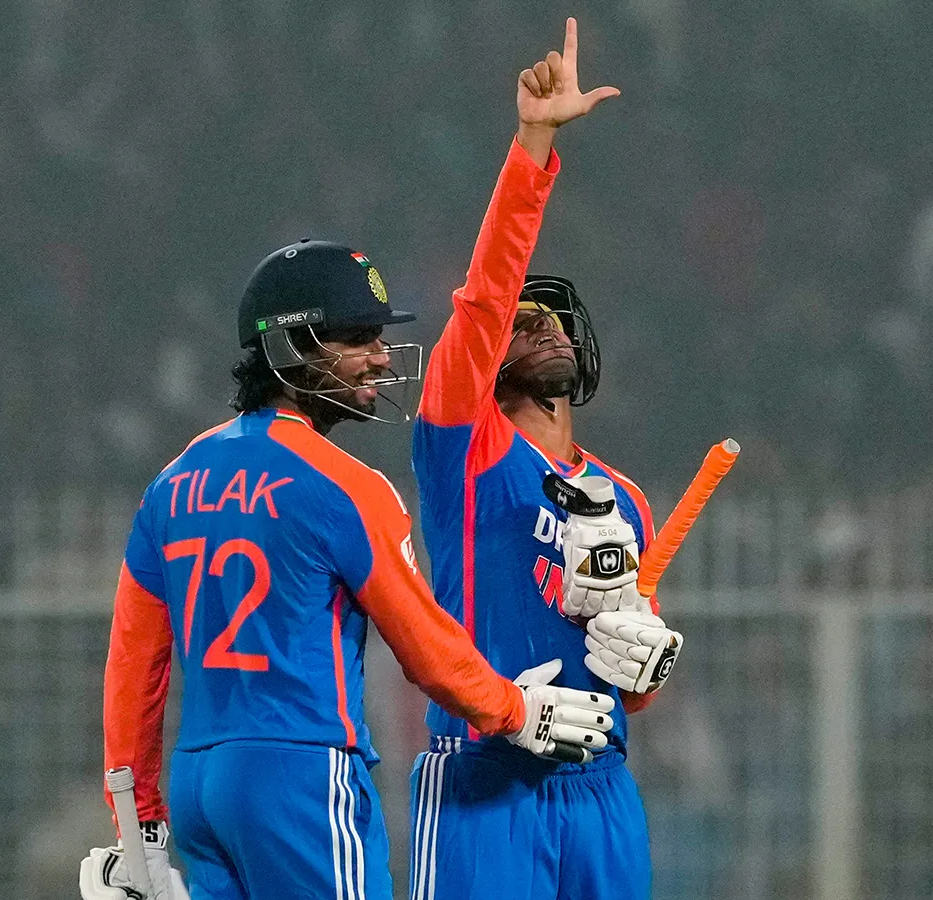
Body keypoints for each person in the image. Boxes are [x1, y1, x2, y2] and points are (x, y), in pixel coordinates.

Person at [78, 237, 616, 900]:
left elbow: (134, 663)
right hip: (302, 772)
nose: (381, 357)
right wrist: (514, 709)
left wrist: (138, 825)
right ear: (288, 348)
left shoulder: (173, 480)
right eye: (356, 338)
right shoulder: (345, 487)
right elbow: (428, 649)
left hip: (199, 785)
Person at [409, 17, 685, 900]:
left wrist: (642, 671)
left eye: (557, 317)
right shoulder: (465, 451)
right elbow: (486, 290)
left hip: (603, 793)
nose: (542, 323)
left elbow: (629, 672)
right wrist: (534, 143)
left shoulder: (627, 497)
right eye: (523, 320)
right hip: (488, 781)